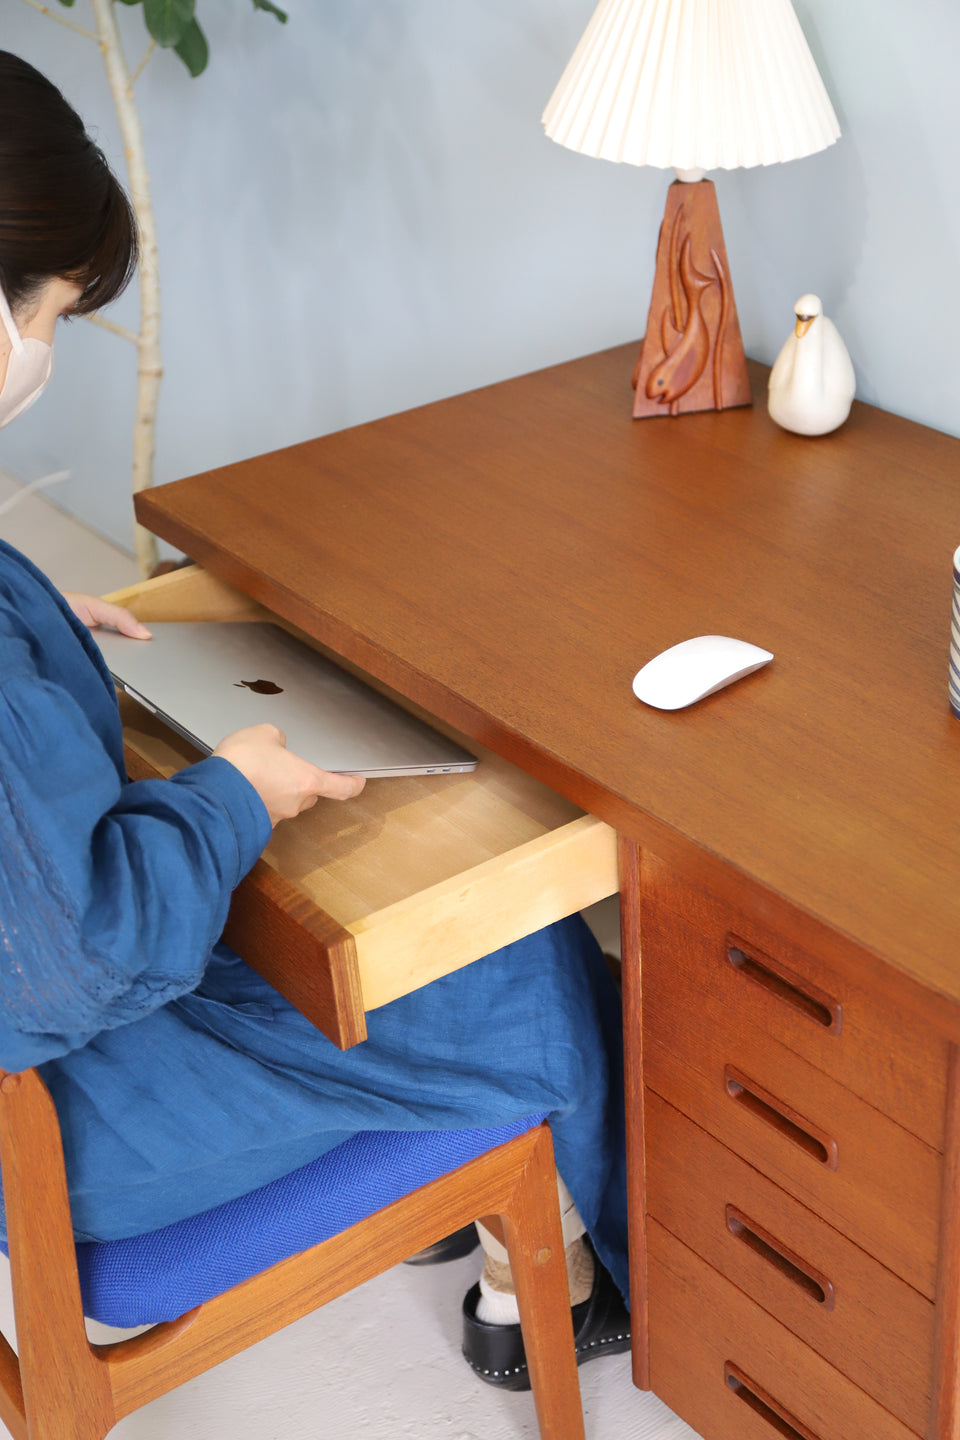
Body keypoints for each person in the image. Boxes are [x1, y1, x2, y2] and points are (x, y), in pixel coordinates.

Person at [0, 51, 628, 1390]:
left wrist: (35, 605)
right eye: (49, 313)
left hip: (57, 1073)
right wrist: (238, 790)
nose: (47, 353)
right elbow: (89, 957)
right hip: (78, 1129)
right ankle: (563, 1286)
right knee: (513, 958)